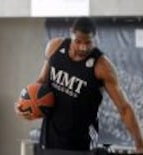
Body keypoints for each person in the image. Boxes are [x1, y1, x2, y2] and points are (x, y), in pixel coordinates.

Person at [15, 17, 143, 153]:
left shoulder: (102, 67)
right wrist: (25, 104)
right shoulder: (55, 47)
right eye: (78, 41)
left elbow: (124, 108)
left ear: (95, 38)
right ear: (71, 33)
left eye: (88, 42)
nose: (83, 47)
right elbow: (41, 82)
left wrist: (140, 144)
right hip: (49, 141)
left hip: (81, 145)